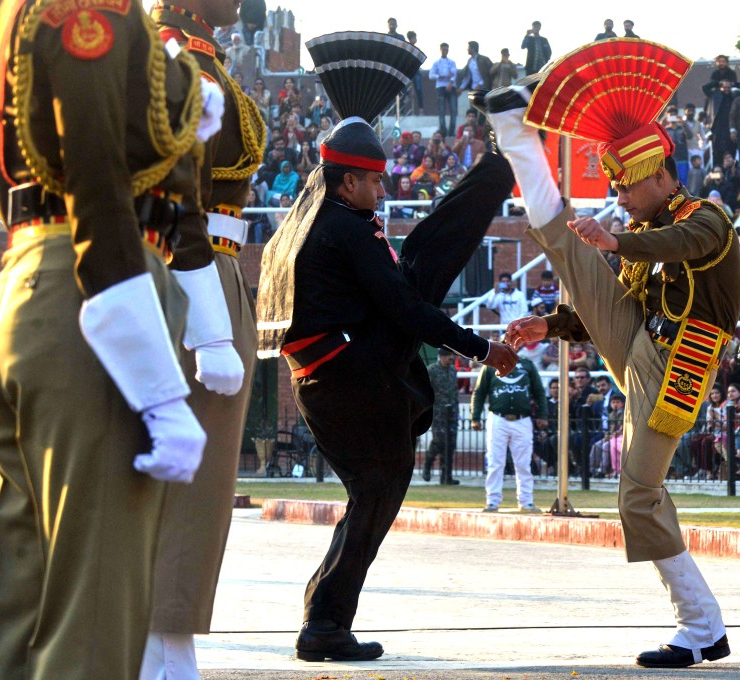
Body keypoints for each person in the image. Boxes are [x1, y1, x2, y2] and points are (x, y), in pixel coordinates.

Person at [255, 33, 518, 662]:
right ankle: (323, 625)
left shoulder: (312, 214)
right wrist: (482, 351)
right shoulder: (346, 228)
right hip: (347, 375)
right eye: (374, 183)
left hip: (328, 375)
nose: (383, 191)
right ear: (347, 183)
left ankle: (324, 618)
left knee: (371, 494)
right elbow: (402, 310)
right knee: (379, 490)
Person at [482, 39, 738, 668]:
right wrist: (552, 323)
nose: (619, 195)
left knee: (637, 494)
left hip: (677, 362)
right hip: (638, 349)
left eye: (626, 185)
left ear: (658, 173)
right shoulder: (642, 233)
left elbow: (683, 242)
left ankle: (702, 624)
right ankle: (517, 138)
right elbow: (608, 300)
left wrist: (618, 241)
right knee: (571, 252)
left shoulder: (708, 218)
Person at [0, 1, 213, 676]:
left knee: (26, 610)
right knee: (94, 619)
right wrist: (155, 386)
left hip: (43, 278)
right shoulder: (86, 7)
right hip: (91, 288)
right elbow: (94, 172)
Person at [147, 1, 269, 675]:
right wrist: (208, 328)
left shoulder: (191, 59)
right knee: (196, 479)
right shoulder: (186, 66)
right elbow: (180, 197)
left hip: (199, 270)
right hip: (198, 273)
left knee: (183, 473)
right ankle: (165, 649)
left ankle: (160, 645)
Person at [471, 354, 548, 512]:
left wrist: (542, 415)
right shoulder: (490, 364)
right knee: (495, 461)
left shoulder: (527, 365)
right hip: (498, 418)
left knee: (524, 463)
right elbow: (479, 392)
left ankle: (526, 502)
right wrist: (475, 417)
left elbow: (539, 391)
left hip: (522, 419)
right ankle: (492, 501)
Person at [424, 347, 461, 484]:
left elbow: (455, 391)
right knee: (439, 441)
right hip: (438, 411)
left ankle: (446, 476)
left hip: (451, 411)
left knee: (450, 443)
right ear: (441, 356)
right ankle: (428, 463)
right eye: (447, 356)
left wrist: (456, 409)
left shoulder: (452, 370)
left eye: (450, 356)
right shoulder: (432, 370)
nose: (450, 359)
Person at [429, 42, 458, 138]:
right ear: (440, 50)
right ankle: (443, 132)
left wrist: (450, 82)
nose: (445, 51)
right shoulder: (436, 63)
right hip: (440, 87)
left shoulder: (452, 62)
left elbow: (454, 74)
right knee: (441, 110)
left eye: (447, 49)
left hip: (451, 86)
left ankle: (451, 131)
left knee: (453, 110)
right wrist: (440, 76)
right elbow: (431, 75)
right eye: (444, 49)